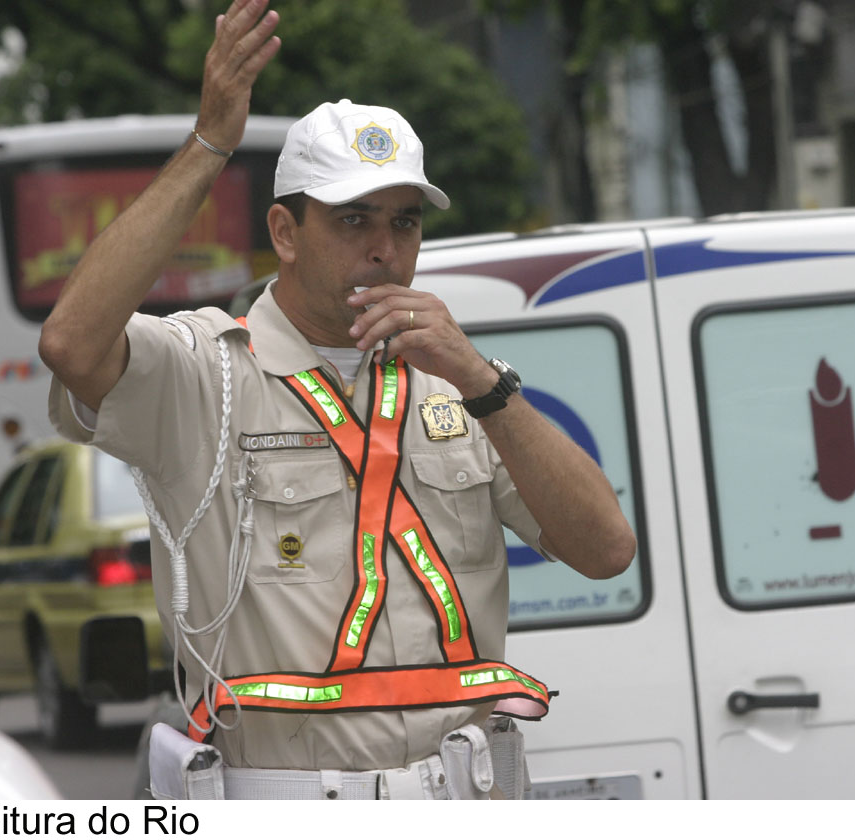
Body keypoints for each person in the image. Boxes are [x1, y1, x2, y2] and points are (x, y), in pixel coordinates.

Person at [39, 0, 635, 800]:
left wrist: (483, 383)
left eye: (405, 222)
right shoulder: (207, 371)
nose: (386, 249)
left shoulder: (458, 380)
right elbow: (71, 345)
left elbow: (606, 552)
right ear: (286, 233)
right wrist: (211, 142)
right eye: (354, 220)